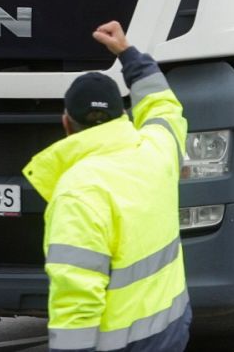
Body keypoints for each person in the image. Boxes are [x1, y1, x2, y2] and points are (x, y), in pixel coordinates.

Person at [23, 22, 191, 352]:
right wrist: (128, 54)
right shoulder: (157, 149)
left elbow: (76, 296)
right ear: (121, 116)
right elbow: (162, 105)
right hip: (170, 328)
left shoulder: (78, 192)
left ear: (66, 124)